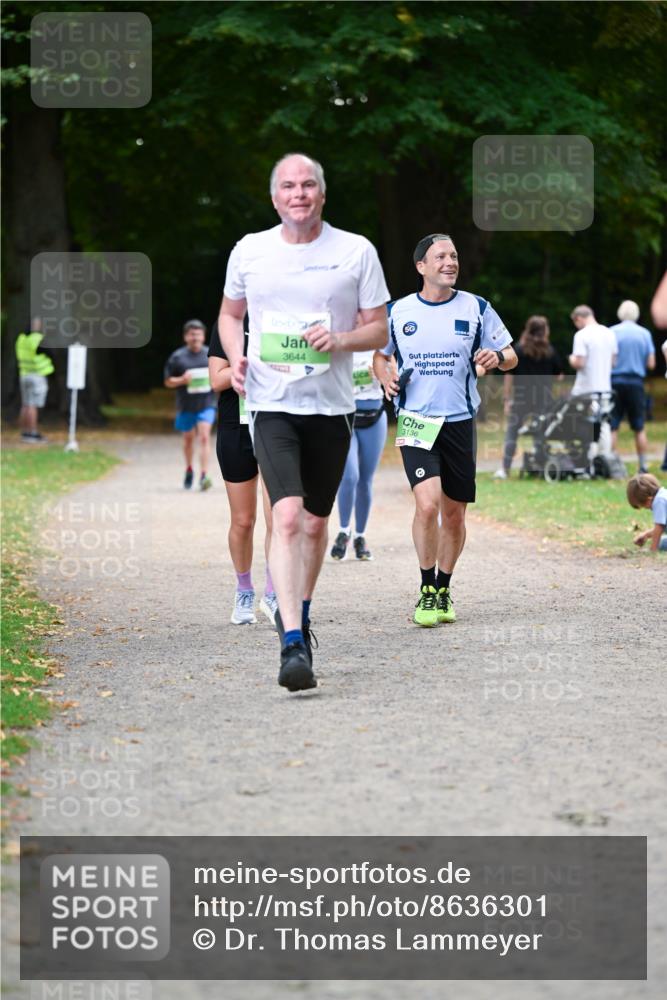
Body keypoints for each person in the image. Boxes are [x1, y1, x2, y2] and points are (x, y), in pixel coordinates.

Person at [218, 153, 390, 692]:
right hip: (270, 404)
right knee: (286, 517)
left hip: (333, 408)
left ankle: (302, 611)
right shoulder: (251, 250)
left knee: (316, 524)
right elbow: (230, 314)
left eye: (308, 184)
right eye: (288, 186)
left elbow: (379, 329)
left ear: (321, 194)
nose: (299, 193)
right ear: (275, 198)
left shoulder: (355, 251)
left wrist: (340, 341)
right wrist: (235, 356)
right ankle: (291, 641)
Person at [374, 233, 517, 628]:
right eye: (440, 256)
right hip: (416, 420)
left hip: (459, 421)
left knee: (454, 515)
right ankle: (425, 587)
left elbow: (511, 355)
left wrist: (497, 355)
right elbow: (379, 355)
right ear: (421, 266)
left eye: (453, 255)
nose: (450, 262)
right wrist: (385, 378)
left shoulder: (477, 307)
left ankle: (445, 585)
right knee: (428, 505)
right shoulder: (398, 311)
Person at [208, 319, 277, 626]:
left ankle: (275, 593)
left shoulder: (286, 319)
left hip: (277, 426)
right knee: (243, 520)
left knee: (280, 518)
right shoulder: (230, 324)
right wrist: (254, 365)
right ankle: (244, 589)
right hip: (237, 428)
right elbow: (216, 379)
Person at [330, 349, 387, 561]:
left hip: (374, 416)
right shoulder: (341, 338)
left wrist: (384, 371)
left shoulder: (380, 341)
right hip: (345, 417)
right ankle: (344, 531)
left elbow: (397, 370)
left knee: (365, 480)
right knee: (349, 476)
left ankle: (360, 537)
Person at [494, 315, 564, 479]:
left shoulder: (518, 349)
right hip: (544, 400)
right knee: (541, 434)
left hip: (521, 399)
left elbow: (509, 376)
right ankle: (540, 467)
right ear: (544, 331)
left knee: (512, 433)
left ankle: (505, 469)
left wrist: (506, 399)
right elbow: (559, 376)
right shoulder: (550, 351)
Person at [164, 319, 216, 491]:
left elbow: (220, 376)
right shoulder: (178, 357)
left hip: (207, 404)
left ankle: (204, 474)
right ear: (186, 337)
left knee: (204, 436)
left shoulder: (210, 355)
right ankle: (189, 469)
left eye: (198, 334)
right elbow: (168, 381)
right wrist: (182, 380)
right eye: (192, 334)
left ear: (203, 336)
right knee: (188, 440)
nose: (195, 337)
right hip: (186, 406)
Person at [609, 300, 655, 473]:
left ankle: (613, 465)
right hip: (636, 382)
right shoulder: (644, 334)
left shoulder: (612, 332)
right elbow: (651, 363)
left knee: (613, 425)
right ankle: (642, 466)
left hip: (615, 382)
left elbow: (611, 360)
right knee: (639, 426)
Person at [15, 318, 54, 443]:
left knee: (26, 404)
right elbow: (49, 352)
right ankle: (32, 433)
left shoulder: (21, 339)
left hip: (24, 374)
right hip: (36, 375)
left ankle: (25, 432)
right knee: (33, 405)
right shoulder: (37, 338)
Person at [568, 305, 617, 395]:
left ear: (578, 319)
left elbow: (580, 363)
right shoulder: (610, 333)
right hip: (605, 390)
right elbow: (613, 362)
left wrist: (571, 359)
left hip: (585, 391)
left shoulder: (581, 335)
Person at [626, 473, 667, 553]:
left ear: (648, 500)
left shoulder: (659, 502)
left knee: (662, 543)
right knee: (661, 540)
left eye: (643, 506)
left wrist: (653, 549)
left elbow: (659, 527)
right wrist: (646, 535)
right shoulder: (663, 495)